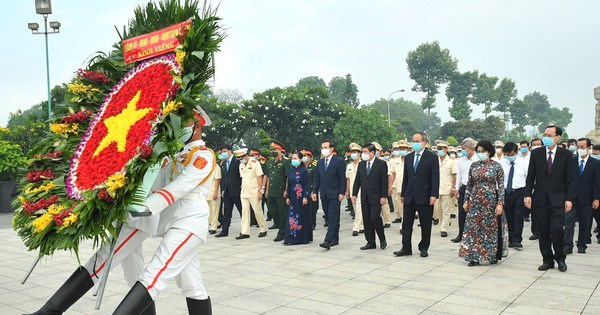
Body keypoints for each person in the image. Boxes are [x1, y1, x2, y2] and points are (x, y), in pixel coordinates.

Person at [110, 105, 215, 314]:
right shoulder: (172, 156)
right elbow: (154, 184)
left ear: (196, 126)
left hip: (190, 221)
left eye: (182, 123)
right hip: (173, 221)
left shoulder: (204, 155)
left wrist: (146, 207)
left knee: (154, 274)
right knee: (191, 284)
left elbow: (180, 186)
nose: (176, 127)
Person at [524, 125, 574, 272]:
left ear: (558, 137)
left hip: (559, 199)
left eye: (550, 135)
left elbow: (570, 180)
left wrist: (569, 199)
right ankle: (547, 260)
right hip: (540, 199)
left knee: (557, 229)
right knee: (543, 231)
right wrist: (528, 194)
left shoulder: (566, 154)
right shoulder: (536, 153)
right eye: (545, 134)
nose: (546, 137)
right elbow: (530, 176)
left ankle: (560, 258)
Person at [459, 140, 508, 266]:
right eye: (478, 151)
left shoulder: (496, 166)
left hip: (490, 202)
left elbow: (501, 187)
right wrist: (466, 200)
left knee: (489, 230)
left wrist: (500, 203)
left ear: (489, 152)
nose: (480, 153)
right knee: (474, 229)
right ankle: (473, 257)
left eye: (483, 151)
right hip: (475, 202)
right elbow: (469, 185)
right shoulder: (474, 165)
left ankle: (491, 255)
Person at [394, 132, 439, 258]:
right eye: (413, 140)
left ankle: (424, 247)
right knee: (406, 224)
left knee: (425, 224)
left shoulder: (431, 157)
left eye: (417, 141)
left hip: (425, 196)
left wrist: (433, 194)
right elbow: (406, 178)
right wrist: (403, 193)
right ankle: (406, 248)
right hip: (409, 195)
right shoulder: (409, 157)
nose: (415, 143)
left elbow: (435, 178)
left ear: (424, 143)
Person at [564, 138, 599, 254]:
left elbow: (597, 183)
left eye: (583, 147)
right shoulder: (571, 161)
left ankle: (582, 245)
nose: (580, 149)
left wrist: (596, 198)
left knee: (585, 223)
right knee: (568, 223)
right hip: (571, 199)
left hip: (587, 199)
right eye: (578, 147)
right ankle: (568, 245)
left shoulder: (595, 163)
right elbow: (567, 180)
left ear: (589, 148)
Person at [352, 143, 389, 250]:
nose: (363, 154)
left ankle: (382, 238)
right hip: (365, 197)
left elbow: (384, 182)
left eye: (365, 152)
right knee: (367, 219)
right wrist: (354, 194)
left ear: (372, 153)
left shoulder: (381, 164)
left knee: (375, 218)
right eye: (362, 152)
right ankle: (370, 242)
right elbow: (357, 180)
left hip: (376, 197)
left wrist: (384, 196)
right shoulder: (361, 164)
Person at [311, 140, 346, 250]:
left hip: (335, 194)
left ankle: (328, 240)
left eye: (326, 147)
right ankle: (335, 239)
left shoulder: (338, 161)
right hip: (324, 194)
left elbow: (342, 179)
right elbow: (317, 179)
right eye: (322, 148)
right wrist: (314, 191)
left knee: (332, 217)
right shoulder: (320, 162)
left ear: (331, 149)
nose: (324, 150)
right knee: (330, 217)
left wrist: (342, 192)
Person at [234, 148, 268, 239]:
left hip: (254, 191)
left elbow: (260, 177)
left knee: (257, 211)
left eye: (241, 158)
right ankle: (245, 232)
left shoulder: (255, 163)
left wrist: (260, 191)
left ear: (245, 155)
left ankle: (263, 229)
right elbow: (243, 177)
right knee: (244, 211)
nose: (241, 160)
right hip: (244, 191)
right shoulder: (241, 164)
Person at [451, 138, 479, 243]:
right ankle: (461, 234)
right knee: (462, 212)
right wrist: (456, 188)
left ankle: (474, 235)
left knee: (474, 213)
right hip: (464, 187)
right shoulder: (461, 160)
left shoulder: (478, 160)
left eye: (464, 148)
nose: (462, 150)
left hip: (475, 189)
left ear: (471, 148)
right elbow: (458, 175)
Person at [501, 142, 528, 248]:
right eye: (507, 155)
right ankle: (510, 238)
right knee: (508, 216)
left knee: (518, 216)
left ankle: (517, 239)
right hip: (506, 192)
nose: (509, 157)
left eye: (511, 154)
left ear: (517, 152)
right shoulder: (502, 163)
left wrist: (527, 194)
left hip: (520, 191)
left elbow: (528, 179)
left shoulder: (524, 163)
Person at [284, 151, 313, 244]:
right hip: (293, 198)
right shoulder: (291, 171)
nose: (294, 160)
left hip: (301, 198)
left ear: (300, 159)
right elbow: (289, 184)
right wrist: (288, 196)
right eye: (292, 159)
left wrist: (305, 196)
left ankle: (301, 238)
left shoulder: (304, 171)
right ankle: (291, 237)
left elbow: (307, 184)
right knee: (292, 217)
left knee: (301, 217)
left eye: (296, 158)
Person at [266, 140, 292, 242]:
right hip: (272, 191)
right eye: (272, 149)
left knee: (282, 212)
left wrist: (286, 189)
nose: (273, 151)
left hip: (281, 191)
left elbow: (288, 177)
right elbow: (269, 177)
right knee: (271, 209)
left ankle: (281, 232)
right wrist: (267, 190)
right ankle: (277, 223)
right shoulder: (270, 162)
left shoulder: (286, 162)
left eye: (275, 149)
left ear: (281, 150)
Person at [215, 144, 242, 238]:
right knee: (227, 212)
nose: (223, 153)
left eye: (225, 151)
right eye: (222, 152)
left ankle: (244, 230)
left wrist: (241, 189)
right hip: (227, 192)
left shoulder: (237, 161)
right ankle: (224, 231)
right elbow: (224, 178)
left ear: (230, 151)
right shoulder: (223, 163)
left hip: (237, 190)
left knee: (242, 211)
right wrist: (223, 189)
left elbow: (241, 176)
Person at [433, 140, 457, 238]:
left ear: (446, 149)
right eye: (438, 149)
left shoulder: (452, 161)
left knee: (446, 209)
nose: (439, 150)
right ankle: (446, 222)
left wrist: (453, 188)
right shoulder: (435, 160)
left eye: (441, 148)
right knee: (437, 209)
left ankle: (444, 228)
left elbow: (454, 175)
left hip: (447, 188)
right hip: (436, 188)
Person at [525, 138, 543, 233]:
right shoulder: (527, 157)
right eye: (534, 144)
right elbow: (530, 176)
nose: (536, 146)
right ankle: (535, 232)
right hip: (532, 188)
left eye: (538, 144)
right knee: (535, 212)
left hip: (543, 187)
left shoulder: (544, 156)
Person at [372, 142, 392, 227]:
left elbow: (389, 175)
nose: (376, 152)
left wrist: (388, 186)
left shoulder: (384, 162)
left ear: (380, 151)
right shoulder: (368, 161)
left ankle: (387, 220)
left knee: (384, 203)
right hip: (373, 186)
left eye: (377, 150)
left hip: (382, 185)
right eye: (374, 150)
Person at [346, 143, 364, 236]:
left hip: (361, 189)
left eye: (355, 152)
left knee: (359, 208)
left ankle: (355, 228)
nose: (353, 154)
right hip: (352, 189)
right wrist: (347, 191)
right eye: (352, 152)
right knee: (355, 208)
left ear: (359, 153)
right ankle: (362, 226)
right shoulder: (349, 166)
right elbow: (348, 179)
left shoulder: (363, 164)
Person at [389, 141, 409, 225]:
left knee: (406, 208)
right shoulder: (394, 161)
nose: (401, 150)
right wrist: (390, 186)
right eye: (400, 149)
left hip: (408, 188)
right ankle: (403, 221)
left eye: (403, 149)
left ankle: (403, 225)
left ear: (407, 149)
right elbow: (392, 174)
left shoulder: (410, 159)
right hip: (398, 187)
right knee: (399, 206)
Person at [301, 149, 320, 230]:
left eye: (305, 156)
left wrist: (315, 191)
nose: (304, 158)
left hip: (311, 189)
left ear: (310, 157)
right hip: (302, 190)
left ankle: (312, 224)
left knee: (312, 208)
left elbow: (316, 179)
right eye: (302, 156)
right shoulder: (301, 166)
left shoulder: (314, 166)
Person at [208, 153, 222, 234]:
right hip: (207, 192)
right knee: (209, 211)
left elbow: (217, 179)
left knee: (215, 210)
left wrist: (216, 192)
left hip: (214, 191)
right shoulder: (205, 167)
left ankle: (213, 227)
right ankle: (216, 223)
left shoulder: (216, 167)